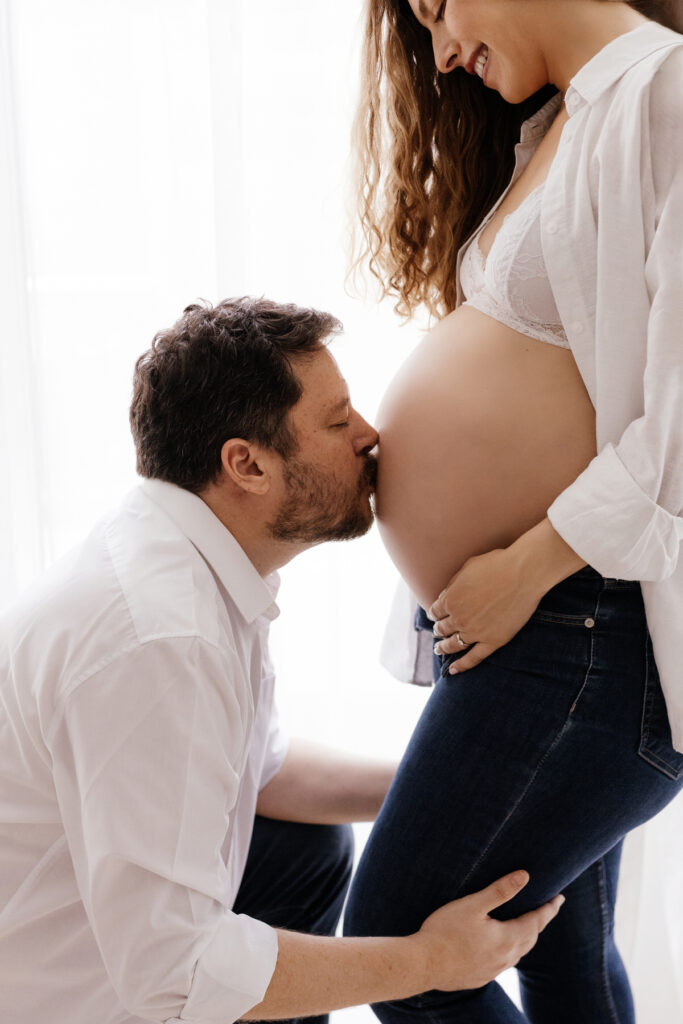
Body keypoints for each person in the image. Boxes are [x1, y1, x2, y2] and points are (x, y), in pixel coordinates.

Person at [0, 297, 563, 1024]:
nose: (370, 435)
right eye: (337, 422)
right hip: (54, 994)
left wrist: (443, 793)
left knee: (305, 847)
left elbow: (257, 773)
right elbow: (175, 973)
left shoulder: (188, 558)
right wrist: (431, 962)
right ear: (247, 465)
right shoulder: (161, 640)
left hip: (88, 928)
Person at [343, 1, 683, 1022]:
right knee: (563, 960)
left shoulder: (661, 94)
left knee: (394, 947)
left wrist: (526, 564)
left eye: (438, 7)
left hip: (581, 635)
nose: (441, 52)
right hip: (544, 634)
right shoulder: (561, 120)